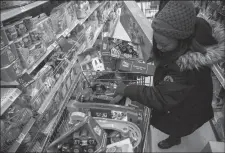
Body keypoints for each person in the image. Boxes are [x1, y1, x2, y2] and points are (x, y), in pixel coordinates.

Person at [115, 1, 225, 149]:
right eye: (157, 42)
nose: (159, 47)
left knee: (179, 124)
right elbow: (164, 47)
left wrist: (126, 89)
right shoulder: (186, 34)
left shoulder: (186, 68)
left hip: (189, 104)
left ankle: (174, 139)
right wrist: (152, 50)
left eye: (163, 45)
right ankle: (176, 135)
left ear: (182, 40)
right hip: (182, 94)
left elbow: (160, 98)